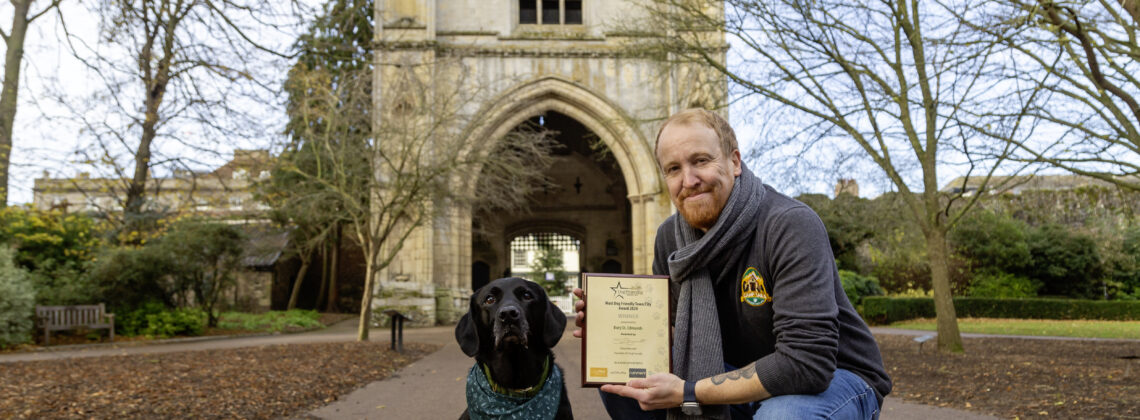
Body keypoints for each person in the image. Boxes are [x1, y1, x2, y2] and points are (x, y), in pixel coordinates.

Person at [572, 109, 891, 419]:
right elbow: (666, 332)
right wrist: (611, 327)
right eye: (673, 169)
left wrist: (689, 391)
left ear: (734, 162)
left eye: (700, 161)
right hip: (730, 372)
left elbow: (806, 364)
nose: (689, 180)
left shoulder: (788, 224)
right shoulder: (671, 238)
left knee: (783, 415)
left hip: (836, 378)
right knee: (624, 379)